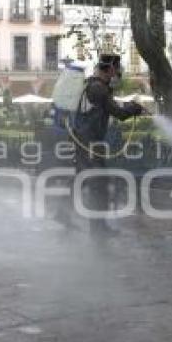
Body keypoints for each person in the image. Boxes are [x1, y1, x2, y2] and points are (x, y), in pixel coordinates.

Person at [72, 54, 143, 236]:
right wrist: (134, 108)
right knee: (98, 184)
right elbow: (118, 113)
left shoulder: (93, 85)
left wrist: (128, 107)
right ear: (110, 69)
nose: (118, 73)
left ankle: (68, 213)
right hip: (89, 143)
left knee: (91, 181)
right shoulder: (98, 88)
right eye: (117, 69)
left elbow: (109, 108)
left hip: (87, 141)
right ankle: (97, 228)